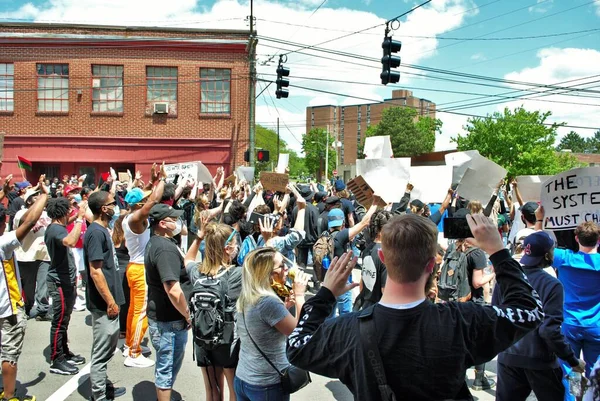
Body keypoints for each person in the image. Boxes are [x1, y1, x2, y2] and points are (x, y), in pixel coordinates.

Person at [286, 213, 545, 401]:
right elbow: (531, 310)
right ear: (432, 264)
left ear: (383, 258)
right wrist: (498, 250)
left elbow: (296, 348)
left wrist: (325, 294)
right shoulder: (462, 321)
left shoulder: (346, 329)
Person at [494, 231, 585, 401]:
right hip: (540, 361)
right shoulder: (552, 285)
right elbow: (549, 331)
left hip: (508, 359)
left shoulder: (504, 280)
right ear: (547, 255)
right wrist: (572, 360)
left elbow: (495, 319)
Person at [234, 247, 310, 401]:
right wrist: (300, 295)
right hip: (266, 384)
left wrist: (285, 309)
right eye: (282, 265)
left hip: (243, 377)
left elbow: (261, 325)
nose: (287, 269)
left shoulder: (247, 296)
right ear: (268, 274)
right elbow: (300, 333)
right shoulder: (268, 303)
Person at [0, 175, 48, 401]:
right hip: (7, 309)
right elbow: (29, 223)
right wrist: (45, 195)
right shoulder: (3, 243)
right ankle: (9, 396)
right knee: (9, 353)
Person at [538, 210, 600, 379]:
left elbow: (540, 242)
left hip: (569, 322)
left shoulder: (563, 257)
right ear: (598, 240)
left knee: (565, 371)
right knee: (595, 374)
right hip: (596, 325)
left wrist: (539, 219)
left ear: (577, 238)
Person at [184, 222, 241, 401]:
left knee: (211, 390)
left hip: (203, 337)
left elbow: (188, 260)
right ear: (227, 248)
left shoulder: (197, 273)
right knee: (234, 390)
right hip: (228, 339)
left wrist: (199, 236)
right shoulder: (237, 274)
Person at [144, 204, 190, 401]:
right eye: (174, 219)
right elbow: (172, 288)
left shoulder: (159, 242)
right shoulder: (164, 248)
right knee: (167, 367)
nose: (177, 222)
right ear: (162, 223)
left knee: (167, 365)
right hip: (169, 320)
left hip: (163, 317)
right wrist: (188, 314)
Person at [84, 191, 126, 401]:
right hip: (103, 304)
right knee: (101, 354)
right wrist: (110, 301)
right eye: (112, 203)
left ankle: (104, 387)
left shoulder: (102, 230)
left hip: (110, 301)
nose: (115, 205)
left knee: (107, 349)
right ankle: (99, 396)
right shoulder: (96, 233)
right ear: (103, 209)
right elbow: (95, 271)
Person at [122, 163, 165, 368]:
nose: (147, 201)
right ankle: (133, 352)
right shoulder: (136, 218)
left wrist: (155, 180)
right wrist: (163, 179)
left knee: (133, 309)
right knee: (141, 312)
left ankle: (130, 343)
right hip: (140, 269)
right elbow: (154, 200)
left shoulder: (129, 214)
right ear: (139, 205)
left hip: (134, 267)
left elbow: (149, 197)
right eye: (143, 201)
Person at [45, 197, 88, 375]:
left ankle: (64, 352)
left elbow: (67, 224)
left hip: (66, 280)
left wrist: (78, 213)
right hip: (59, 282)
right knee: (59, 321)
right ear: (62, 213)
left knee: (65, 320)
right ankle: (57, 359)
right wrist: (79, 219)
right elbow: (70, 241)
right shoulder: (56, 230)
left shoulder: (57, 226)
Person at [326, 200, 377, 317]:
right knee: (345, 311)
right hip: (342, 278)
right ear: (342, 222)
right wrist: (375, 202)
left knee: (330, 310)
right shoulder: (341, 235)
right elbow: (364, 222)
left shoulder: (325, 235)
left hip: (329, 278)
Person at [14, 187, 52, 320]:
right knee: (28, 287)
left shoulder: (46, 214)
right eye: (36, 196)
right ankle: (28, 307)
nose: (40, 198)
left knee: (44, 284)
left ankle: (42, 310)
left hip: (44, 254)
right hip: (26, 255)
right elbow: (26, 220)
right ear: (29, 200)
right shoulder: (21, 213)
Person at [353, 210, 393, 311]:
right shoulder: (386, 254)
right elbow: (385, 290)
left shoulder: (368, 249)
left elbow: (362, 282)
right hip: (380, 309)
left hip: (366, 304)